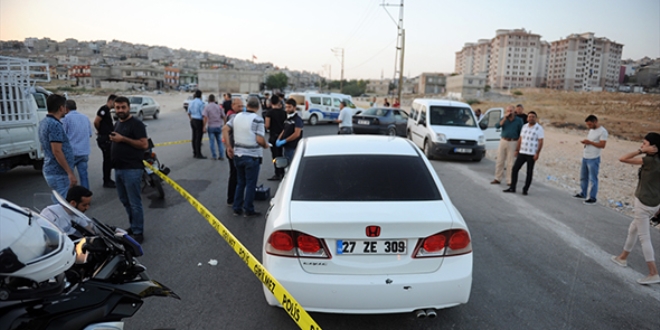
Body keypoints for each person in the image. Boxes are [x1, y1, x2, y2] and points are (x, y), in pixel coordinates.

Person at [611, 133, 660, 285]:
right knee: (633, 229)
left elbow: (622, 158)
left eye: (644, 144)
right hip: (655, 204)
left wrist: (641, 152)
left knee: (644, 238)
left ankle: (653, 273)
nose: (641, 146)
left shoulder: (650, 160)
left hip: (643, 203)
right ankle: (622, 257)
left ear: (653, 147)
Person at [110, 96, 148, 243]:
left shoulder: (137, 124)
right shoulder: (117, 123)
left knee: (134, 202)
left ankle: (138, 231)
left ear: (129, 107)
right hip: (118, 169)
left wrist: (123, 139)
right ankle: (133, 225)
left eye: (123, 107)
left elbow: (144, 144)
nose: (120, 110)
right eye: (117, 107)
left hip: (132, 169)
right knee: (125, 200)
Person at [223, 96, 269, 217]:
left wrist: (229, 146)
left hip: (238, 155)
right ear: (258, 107)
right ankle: (248, 209)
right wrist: (265, 145)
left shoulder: (236, 117)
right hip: (252, 156)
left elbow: (225, 129)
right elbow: (259, 139)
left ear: (246, 105)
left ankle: (237, 208)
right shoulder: (257, 119)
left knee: (240, 182)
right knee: (250, 184)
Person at [39, 94, 77, 202]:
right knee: (62, 204)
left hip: (51, 169)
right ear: (61, 108)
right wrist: (69, 172)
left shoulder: (44, 122)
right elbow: (57, 151)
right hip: (58, 172)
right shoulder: (54, 125)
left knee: (57, 200)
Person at [504, 111, 543, 195]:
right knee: (515, 169)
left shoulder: (539, 128)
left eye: (533, 117)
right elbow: (520, 139)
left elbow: (540, 141)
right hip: (522, 152)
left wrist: (537, 153)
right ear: (527, 118)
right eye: (529, 117)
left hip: (531, 153)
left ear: (535, 118)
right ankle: (512, 187)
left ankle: (525, 189)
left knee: (529, 172)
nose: (531, 118)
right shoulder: (524, 127)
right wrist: (517, 150)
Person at [573, 115, 608, 205]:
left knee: (593, 178)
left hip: (594, 158)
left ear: (595, 121)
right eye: (588, 125)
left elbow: (602, 145)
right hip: (586, 156)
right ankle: (583, 193)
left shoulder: (603, 131)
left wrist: (590, 142)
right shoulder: (592, 130)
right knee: (583, 177)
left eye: (590, 124)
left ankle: (592, 197)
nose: (589, 126)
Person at [62, 100, 93, 189]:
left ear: (66, 108)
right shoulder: (85, 118)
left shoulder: (65, 118)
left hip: (71, 152)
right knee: (84, 176)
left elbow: (62, 136)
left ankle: (71, 198)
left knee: (69, 177)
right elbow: (90, 134)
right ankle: (86, 197)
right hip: (84, 151)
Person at [491, 106, 524, 186]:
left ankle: (509, 180)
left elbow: (521, 133)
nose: (509, 112)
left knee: (511, 162)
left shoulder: (519, 120)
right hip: (504, 140)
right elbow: (497, 126)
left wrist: (519, 146)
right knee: (500, 160)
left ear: (514, 111)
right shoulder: (503, 119)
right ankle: (497, 178)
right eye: (508, 110)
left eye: (511, 110)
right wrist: (505, 118)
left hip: (513, 141)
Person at [94, 94, 116, 188]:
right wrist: (100, 130)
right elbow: (96, 121)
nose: (115, 105)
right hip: (104, 139)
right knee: (107, 160)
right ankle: (106, 180)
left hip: (107, 138)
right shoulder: (104, 109)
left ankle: (108, 179)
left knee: (109, 159)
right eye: (115, 103)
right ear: (111, 101)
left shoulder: (107, 111)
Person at [224, 98, 241, 206]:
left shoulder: (232, 115)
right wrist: (229, 147)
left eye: (242, 106)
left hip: (234, 148)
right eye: (239, 106)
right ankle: (232, 199)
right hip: (233, 149)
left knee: (236, 174)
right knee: (235, 175)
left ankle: (234, 197)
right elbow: (225, 129)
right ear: (233, 105)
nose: (241, 108)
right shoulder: (233, 116)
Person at [265, 94, 287, 181]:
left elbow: (267, 125)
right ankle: (283, 171)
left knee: (275, 156)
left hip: (273, 137)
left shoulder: (269, 113)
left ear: (271, 103)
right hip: (282, 136)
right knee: (281, 154)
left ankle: (277, 172)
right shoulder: (283, 112)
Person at [203, 94, 226, 160]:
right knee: (219, 142)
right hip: (218, 126)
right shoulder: (219, 107)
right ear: (214, 99)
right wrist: (225, 124)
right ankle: (221, 156)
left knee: (212, 142)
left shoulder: (207, 107)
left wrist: (204, 127)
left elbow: (205, 117)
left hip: (211, 126)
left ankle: (214, 156)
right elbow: (224, 116)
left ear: (209, 100)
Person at [188, 89, 206, 159]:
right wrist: (204, 125)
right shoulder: (201, 103)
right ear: (200, 95)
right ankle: (199, 153)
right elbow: (203, 114)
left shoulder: (191, 102)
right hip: (198, 120)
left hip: (193, 120)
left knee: (194, 136)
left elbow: (188, 113)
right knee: (198, 138)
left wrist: (191, 119)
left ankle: (195, 152)